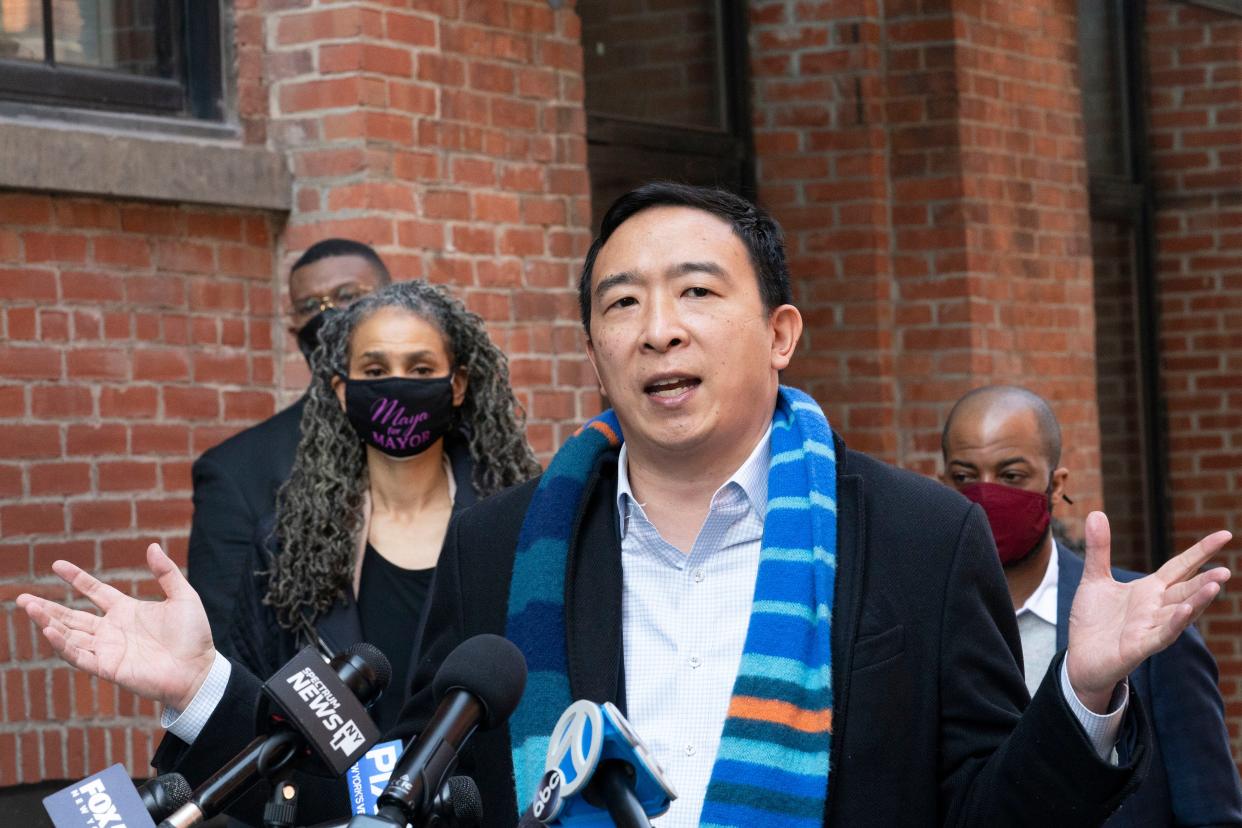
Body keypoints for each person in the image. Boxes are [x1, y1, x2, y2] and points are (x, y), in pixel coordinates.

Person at [17, 184, 1234, 828]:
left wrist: (1081, 696)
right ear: (595, 347)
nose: (658, 328)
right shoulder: (511, 543)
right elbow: (396, 776)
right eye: (620, 303)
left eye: (697, 291)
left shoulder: (917, 537)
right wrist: (205, 690)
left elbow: (985, 811)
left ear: (780, 331)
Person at [228, 279, 540, 729]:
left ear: (457, 385)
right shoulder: (285, 544)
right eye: (375, 372)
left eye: (419, 369)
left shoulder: (519, 528)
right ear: (342, 390)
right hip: (338, 799)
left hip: (477, 796)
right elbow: (251, 700)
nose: (397, 386)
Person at [940, 384, 1242, 826]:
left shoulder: (1146, 625)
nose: (987, 495)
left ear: (1055, 483)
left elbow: (1210, 810)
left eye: (1011, 476)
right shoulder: (925, 621)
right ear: (943, 482)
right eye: (965, 477)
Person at [189, 239, 391, 646]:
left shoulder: (462, 447)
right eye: (310, 306)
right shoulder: (238, 471)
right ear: (293, 328)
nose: (329, 314)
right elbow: (228, 647)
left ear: (393, 302)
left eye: (348, 295)